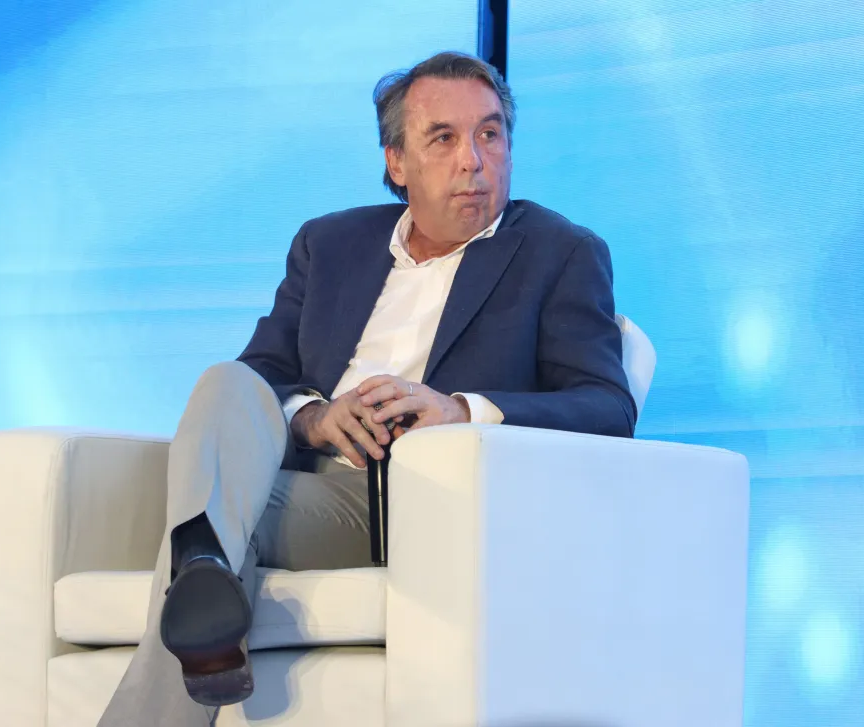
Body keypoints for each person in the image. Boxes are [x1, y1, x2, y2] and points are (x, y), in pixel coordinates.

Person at [98, 50, 636, 727]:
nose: (474, 159)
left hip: (400, 503)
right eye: (443, 138)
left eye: (491, 133)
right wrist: (316, 418)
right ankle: (204, 570)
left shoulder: (560, 253)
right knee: (226, 381)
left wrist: (460, 410)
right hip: (294, 475)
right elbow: (263, 372)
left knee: (198, 513)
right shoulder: (329, 244)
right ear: (397, 162)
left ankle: (201, 562)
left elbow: (607, 406)